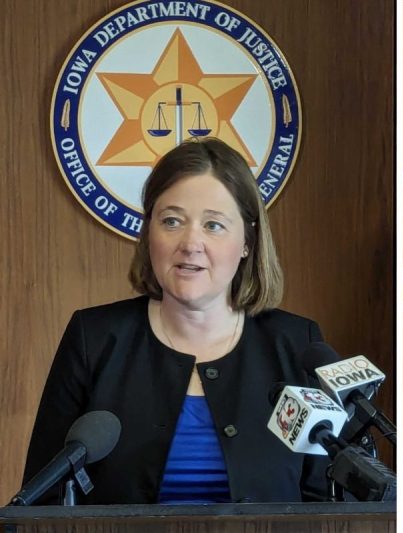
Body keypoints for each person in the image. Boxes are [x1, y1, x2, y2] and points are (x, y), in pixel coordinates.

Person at [22, 138, 329, 504]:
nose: (190, 242)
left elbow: (328, 502)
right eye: (172, 221)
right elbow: (43, 500)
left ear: (247, 240)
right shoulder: (94, 339)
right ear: (148, 232)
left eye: (214, 225)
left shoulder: (297, 345)